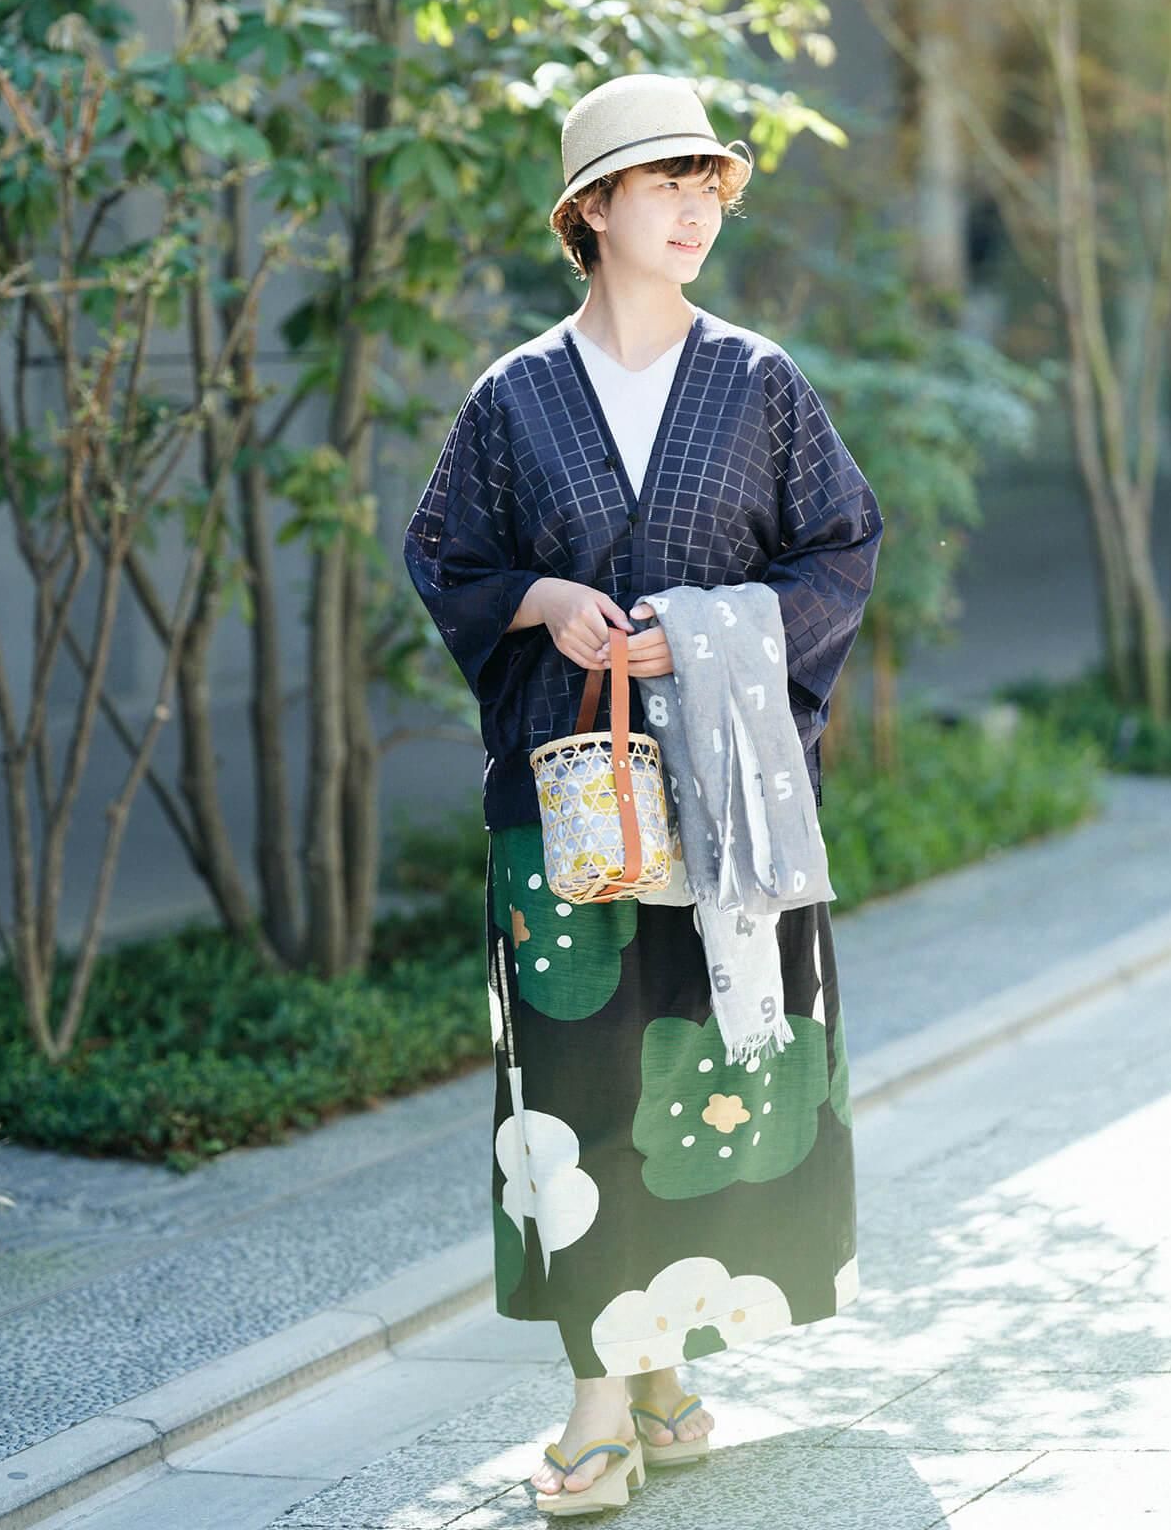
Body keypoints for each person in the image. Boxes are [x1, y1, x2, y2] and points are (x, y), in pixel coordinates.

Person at [404, 73, 884, 1513]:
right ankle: (599, 1404)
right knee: (579, 1079)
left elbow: (840, 551)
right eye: (659, 182)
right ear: (590, 210)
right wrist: (544, 597)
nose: (690, 208)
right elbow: (448, 563)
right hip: (565, 813)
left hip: (725, 803)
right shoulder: (513, 398)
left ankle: (661, 1366)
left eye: (705, 185)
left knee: (707, 1078)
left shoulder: (757, 382)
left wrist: (718, 628)